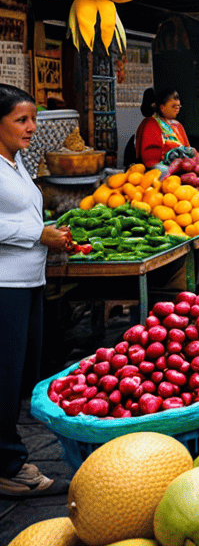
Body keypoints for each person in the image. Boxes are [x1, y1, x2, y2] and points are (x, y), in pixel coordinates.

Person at [0, 84, 70, 497]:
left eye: (33, 120)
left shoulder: (15, 161)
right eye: (21, 120)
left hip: (28, 282)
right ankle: (9, 467)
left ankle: (8, 456)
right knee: (5, 377)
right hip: (5, 285)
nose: (31, 128)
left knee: (19, 377)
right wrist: (38, 234)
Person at [135, 87, 189, 167]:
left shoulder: (178, 125)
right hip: (158, 169)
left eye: (178, 106)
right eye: (173, 106)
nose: (177, 109)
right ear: (162, 107)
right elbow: (149, 158)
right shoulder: (150, 124)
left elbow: (187, 149)